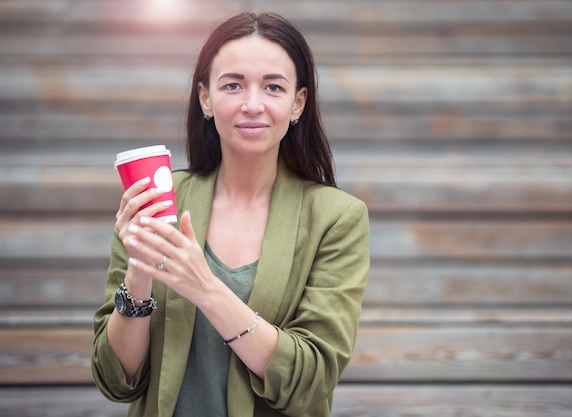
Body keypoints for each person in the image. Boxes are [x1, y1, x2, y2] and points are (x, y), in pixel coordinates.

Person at [91, 12, 370, 417]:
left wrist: (206, 288)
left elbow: (310, 379)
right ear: (206, 98)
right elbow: (115, 378)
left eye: (273, 87)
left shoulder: (336, 218)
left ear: (298, 103)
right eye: (233, 85)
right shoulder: (160, 201)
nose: (252, 104)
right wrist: (139, 273)